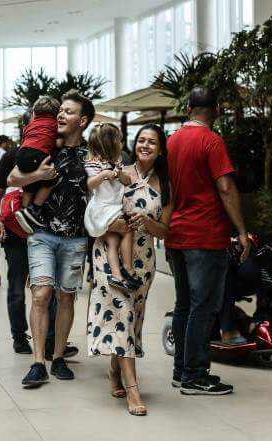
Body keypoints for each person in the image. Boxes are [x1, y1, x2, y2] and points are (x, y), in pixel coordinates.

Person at [165, 86, 250, 396]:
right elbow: (225, 188)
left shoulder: (172, 141)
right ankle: (195, 376)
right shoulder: (212, 141)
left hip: (176, 234)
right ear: (216, 109)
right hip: (205, 235)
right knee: (204, 307)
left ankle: (180, 371)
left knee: (184, 305)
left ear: (188, 108)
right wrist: (241, 230)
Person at [8, 89, 93, 388]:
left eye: (68, 112)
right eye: (61, 110)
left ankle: (58, 358)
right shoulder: (45, 146)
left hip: (76, 238)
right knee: (41, 294)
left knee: (66, 296)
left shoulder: (92, 154)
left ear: (82, 121)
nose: (61, 115)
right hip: (42, 234)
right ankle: (37, 362)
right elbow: (12, 179)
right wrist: (38, 176)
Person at [87, 124, 173, 416]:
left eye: (152, 142)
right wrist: (114, 223)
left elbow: (165, 231)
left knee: (132, 319)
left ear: (161, 149)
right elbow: (96, 206)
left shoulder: (166, 184)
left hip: (143, 259)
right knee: (121, 312)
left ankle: (115, 370)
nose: (145, 145)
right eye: (141, 140)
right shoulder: (117, 169)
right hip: (107, 253)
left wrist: (146, 223)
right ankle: (133, 389)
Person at [0, 143, 72, 358]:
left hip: (45, 231)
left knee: (48, 288)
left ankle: (51, 339)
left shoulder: (54, 154)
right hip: (15, 233)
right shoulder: (12, 156)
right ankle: (19, 336)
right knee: (17, 287)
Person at [84, 123, 140, 292]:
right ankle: (128, 269)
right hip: (103, 209)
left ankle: (116, 276)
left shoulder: (117, 162)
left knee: (113, 241)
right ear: (110, 143)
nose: (122, 144)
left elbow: (127, 181)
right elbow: (91, 184)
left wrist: (119, 174)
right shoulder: (93, 163)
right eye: (119, 141)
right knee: (128, 230)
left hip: (112, 209)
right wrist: (103, 175)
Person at [14, 96, 62, 233]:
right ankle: (34, 208)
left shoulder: (29, 125)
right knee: (52, 178)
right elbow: (58, 143)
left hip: (22, 154)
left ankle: (23, 210)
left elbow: (25, 140)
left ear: (35, 112)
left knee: (30, 183)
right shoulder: (54, 124)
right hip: (38, 154)